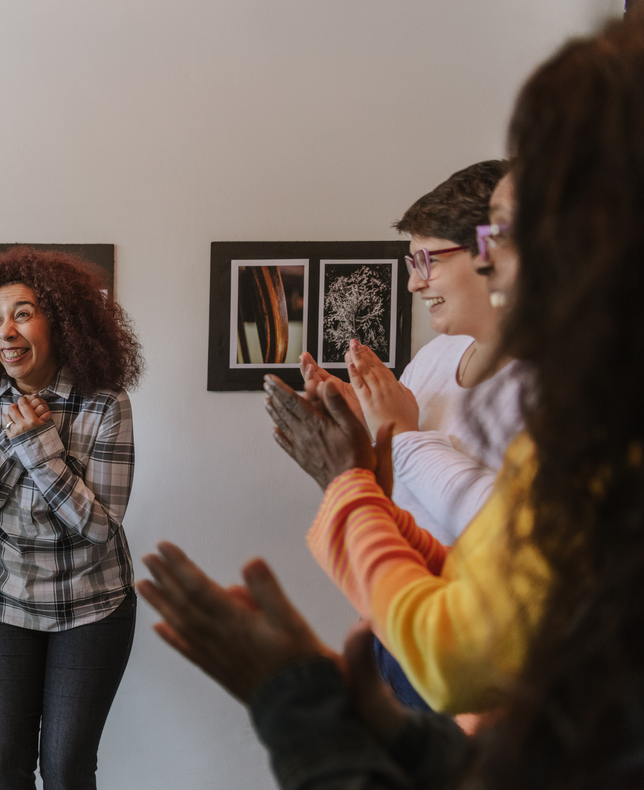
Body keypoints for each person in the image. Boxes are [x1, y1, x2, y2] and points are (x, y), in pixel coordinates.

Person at [147, 16, 644, 789]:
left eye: (505, 238)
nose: (496, 265)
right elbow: (496, 569)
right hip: (407, 639)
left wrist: (294, 693)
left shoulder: (581, 409)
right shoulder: (483, 373)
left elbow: (461, 642)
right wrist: (359, 469)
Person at [301, 161, 523, 711]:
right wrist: (357, 434)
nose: (413, 281)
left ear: (491, 251)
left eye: (428, 260)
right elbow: (399, 489)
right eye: (410, 261)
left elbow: (502, 530)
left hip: (480, 650)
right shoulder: (434, 357)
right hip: (397, 617)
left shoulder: (559, 379)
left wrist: (399, 434)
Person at [0, 246, 144, 790]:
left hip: (92, 605)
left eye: (23, 313)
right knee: (3, 771)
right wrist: (14, 445)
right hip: (4, 601)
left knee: (65, 770)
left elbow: (100, 528)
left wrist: (35, 444)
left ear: (61, 321)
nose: (4, 331)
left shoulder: (105, 402)